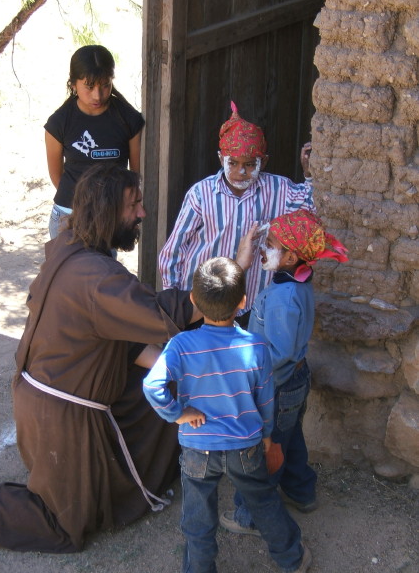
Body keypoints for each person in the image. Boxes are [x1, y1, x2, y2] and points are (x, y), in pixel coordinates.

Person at [0, 162, 202, 553]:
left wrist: (169, 365)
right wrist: (228, 282)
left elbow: (115, 333)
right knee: (62, 523)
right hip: (59, 418)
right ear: (111, 210)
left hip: (46, 400)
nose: (142, 213)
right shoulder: (96, 277)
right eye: (135, 205)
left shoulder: (72, 245)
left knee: (161, 388)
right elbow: (161, 311)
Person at [143, 257, 312, 573]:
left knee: (197, 515)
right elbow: (265, 401)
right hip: (244, 445)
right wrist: (266, 437)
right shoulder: (256, 347)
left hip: (197, 447)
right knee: (262, 502)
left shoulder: (181, 345)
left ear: (194, 300)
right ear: (243, 302)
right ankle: (291, 558)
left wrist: (178, 415)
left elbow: (153, 386)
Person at [220, 209, 348, 535]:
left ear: (291, 255)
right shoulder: (294, 281)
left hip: (276, 387)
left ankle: (249, 514)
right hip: (294, 382)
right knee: (289, 438)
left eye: (271, 243)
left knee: (267, 451)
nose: (264, 248)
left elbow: (280, 353)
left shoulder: (285, 298)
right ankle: (302, 492)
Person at [158, 101, 315, 325]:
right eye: (233, 163)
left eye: (250, 164)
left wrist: (309, 176)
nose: (241, 171)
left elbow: (310, 213)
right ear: (221, 159)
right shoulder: (201, 194)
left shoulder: (280, 190)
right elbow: (173, 250)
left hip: (251, 306)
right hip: (203, 305)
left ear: (264, 162)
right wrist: (175, 303)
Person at [45, 44, 145, 238]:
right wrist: (83, 204)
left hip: (109, 217)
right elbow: (57, 174)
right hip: (68, 215)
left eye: (105, 85)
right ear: (73, 84)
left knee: (102, 267)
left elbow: (134, 172)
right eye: (89, 87)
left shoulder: (128, 119)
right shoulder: (58, 123)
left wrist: (111, 209)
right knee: (65, 268)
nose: (97, 95)